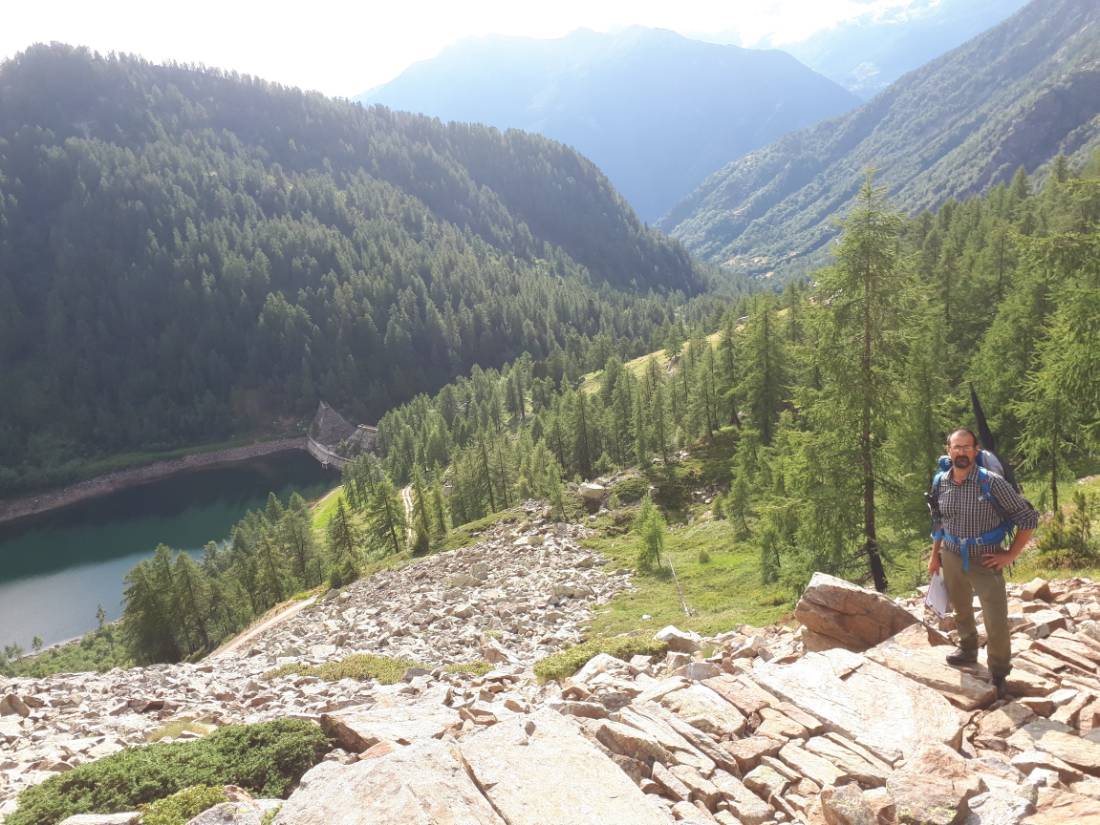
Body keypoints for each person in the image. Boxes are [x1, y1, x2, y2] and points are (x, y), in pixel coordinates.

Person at [927, 428, 1038, 698]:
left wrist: (1010, 555)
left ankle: (999, 672)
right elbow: (939, 521)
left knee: (995, 618)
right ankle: (967, 649)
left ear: (975, 451)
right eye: (957, 447)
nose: (962, 452)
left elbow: (1028, 518)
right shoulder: (941, 481)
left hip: (985, 557)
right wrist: (935, 555)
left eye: (967, 447)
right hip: (951, 554)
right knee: (961, 607)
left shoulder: (992, 482)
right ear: (948, 450)